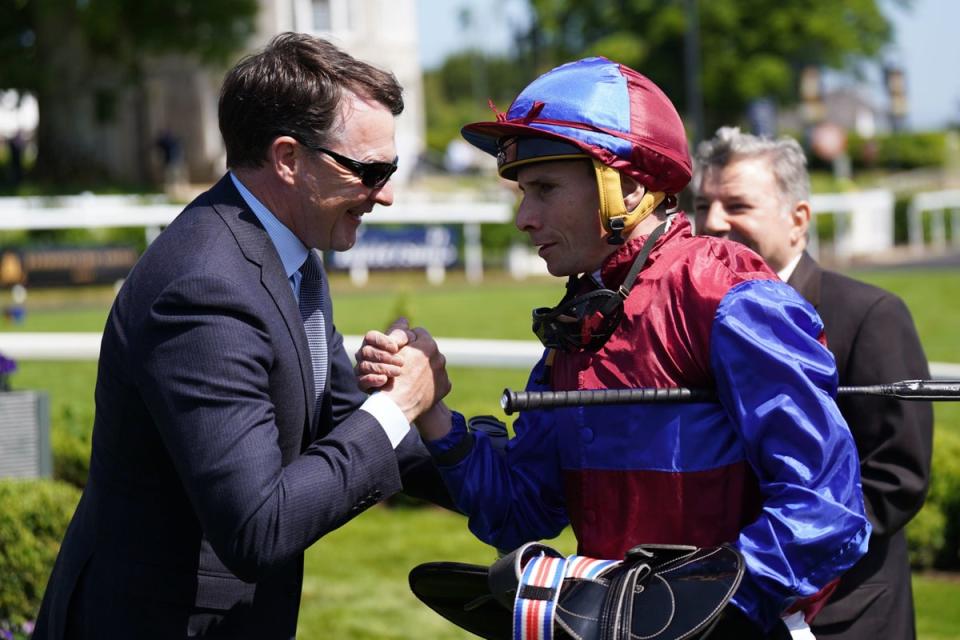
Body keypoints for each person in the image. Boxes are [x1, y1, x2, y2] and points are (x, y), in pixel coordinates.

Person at [357, 57, 870, 637]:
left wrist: (688, 613)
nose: (524, 218)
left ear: (625, 184)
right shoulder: (578, 322)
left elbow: (826, 511)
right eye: (522, 192)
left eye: (545, 188)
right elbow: (521, 510)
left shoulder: (724, 292)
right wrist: (434, 415)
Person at [33, 33, 451, 639]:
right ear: (288, 159)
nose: (385, 193)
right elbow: (259, 525)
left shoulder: (286, 253)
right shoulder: (205, 285)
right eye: (370, 170)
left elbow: (339, 411)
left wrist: (495, 477)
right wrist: (397, 406)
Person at [692, 126, 933, 640]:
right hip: (716, 600)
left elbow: (896, 476)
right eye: (701, 204)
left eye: (736, 204)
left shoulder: (871, 314)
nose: (712, 223)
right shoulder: (691, 324)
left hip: (844, 615)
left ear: (797, 221)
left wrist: (789, 558)